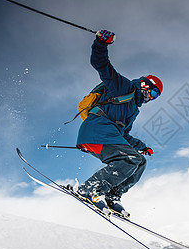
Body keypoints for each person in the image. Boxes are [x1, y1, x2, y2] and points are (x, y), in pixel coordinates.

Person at [69, 30, 163, 218]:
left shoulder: (133, 109)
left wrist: (142, 147)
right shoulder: (123, 86)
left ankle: (113, 196)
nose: (151, 99)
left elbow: (124, 134)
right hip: (96, 131)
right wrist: (101, 42)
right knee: (130, 158)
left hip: (108, 135)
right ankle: (90, 189)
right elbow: (101, 64)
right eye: (152, 93)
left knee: (140, 160)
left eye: (155, 97)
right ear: (145, 85)